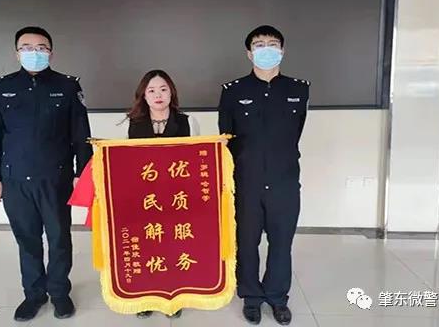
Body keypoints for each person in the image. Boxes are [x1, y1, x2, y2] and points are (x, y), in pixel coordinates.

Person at [0, 26, 92, 322]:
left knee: (59, 239)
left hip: (56, 178)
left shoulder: (67, 86)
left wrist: (82, 173)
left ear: (51, 53)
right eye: (27, 48)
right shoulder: (1, 88)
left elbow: (80, 135)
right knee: (27, 240)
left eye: (41, 48)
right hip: (15, 179)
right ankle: (33, 295)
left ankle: (59, 293)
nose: (35, 53)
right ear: (17, 53)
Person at [218, 25, 309, 325]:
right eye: (259, 45)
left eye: (272, 44)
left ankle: (277, 297)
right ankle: (252, 297)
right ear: (249, 53)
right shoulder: (233, 91)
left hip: (284, 180)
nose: (266, 49)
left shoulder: (299, 89)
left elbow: (296, 132)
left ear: (282, 50)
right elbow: (227, 138)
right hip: (247, 182)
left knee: (282, 242)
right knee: (246, 243)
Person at [126, 69, 198, 318]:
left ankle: (173, 297)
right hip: (146, 198)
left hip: (178, 197)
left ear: (172, 93)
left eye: (163, 89)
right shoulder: (133, 123)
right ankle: (147, 297)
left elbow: (198, 159)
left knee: (174, 246)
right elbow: (126, 162)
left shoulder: (188, 121)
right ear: (144, 96)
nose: (158, 95)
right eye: (152, 90)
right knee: (148, 246)